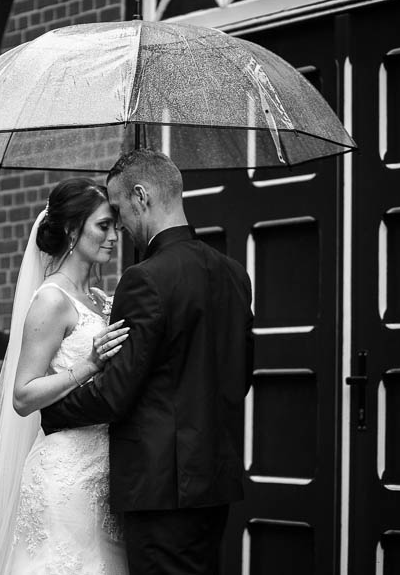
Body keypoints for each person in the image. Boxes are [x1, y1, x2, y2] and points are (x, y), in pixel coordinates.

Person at [41, 149, 255, 575]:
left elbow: (116, 393)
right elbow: (241, 375)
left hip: (160, 490)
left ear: (141, 196)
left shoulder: (145, 279)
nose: (119, 226)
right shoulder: (234, 273)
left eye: (118, 211)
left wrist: (54, 412)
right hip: (215, 483)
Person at [0, 177, 132, 575]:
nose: (114, 236)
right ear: (73, 230)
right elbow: (22, 395)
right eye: (103, 226)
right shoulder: (52, 299)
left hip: (106, 471)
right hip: (66, 473)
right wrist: (87, 365)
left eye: (116, 227)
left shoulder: (103, 299)